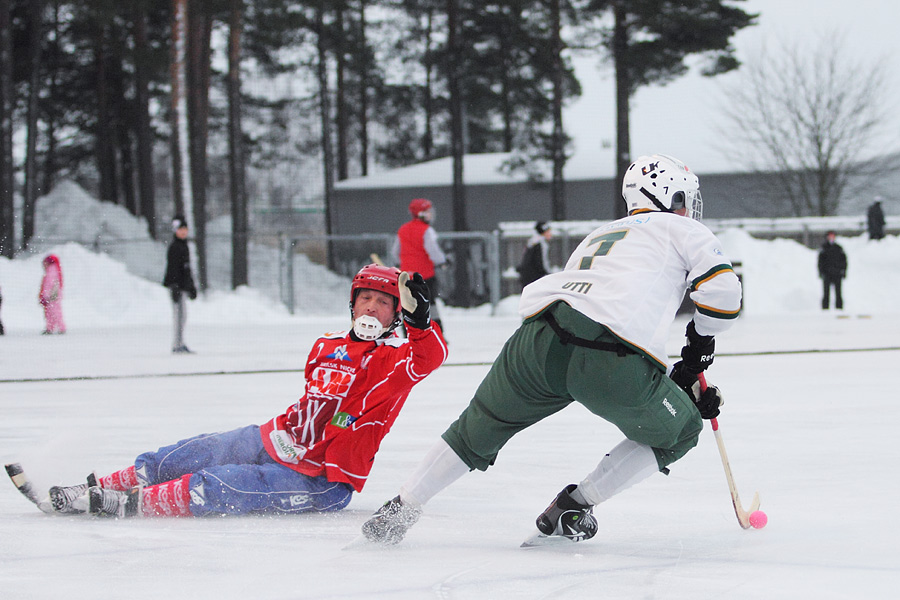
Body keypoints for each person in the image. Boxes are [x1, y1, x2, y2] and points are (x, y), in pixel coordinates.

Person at [361, 154, 743, 546]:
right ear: (671, 196)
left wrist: (677, 377)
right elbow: (723, 298)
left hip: (540, 333)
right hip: (608, 352)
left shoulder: (601, 233)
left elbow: (601, 302)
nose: (688, 208)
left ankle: (401, 508)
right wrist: (696, 354)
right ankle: (574, 506)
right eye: (685, 199)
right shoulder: (682, 230)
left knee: (478, 426)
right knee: (680, 430)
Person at [43, 264, 448, 519]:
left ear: (396, 314)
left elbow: (431, 356)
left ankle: (129, 504)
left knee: (219, 482)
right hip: (280, 439)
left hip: (323, 478)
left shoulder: (395, 362)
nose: (372, 308)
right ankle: (98, 486)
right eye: (366, 299)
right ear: (352, 304)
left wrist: (420, 323)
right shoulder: (327, 344)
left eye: (383, 302)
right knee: (194, 451)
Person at [391, 198, 448, 329]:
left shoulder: (403, 229)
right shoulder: (426, 230)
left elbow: (395, 251)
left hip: (406, 276)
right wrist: (443, 261)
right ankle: (436, 330)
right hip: (425, 275)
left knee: (408, 304)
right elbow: (433, 250)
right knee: (430, 304)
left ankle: (408, 330)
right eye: (428, 212)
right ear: (420, 214)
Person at [163, 215, 198, 353]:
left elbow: (186, 269)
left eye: (185, 229)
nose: (183, 232)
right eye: (180, 229)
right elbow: (173, 268)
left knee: (183, 316)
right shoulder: (175, 247)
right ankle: (177, 344)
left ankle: (180, 342)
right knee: (178, 316)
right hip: (176, 287)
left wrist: (191, 287)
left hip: (182, 286)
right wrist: (174, 286)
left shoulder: (184, 246)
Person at [517, 221, 553, 288]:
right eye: (549, 231)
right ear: (544, 232)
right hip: (535, 277)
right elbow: (541, 262)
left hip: (527, 277)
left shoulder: (532, 242)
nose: (550, 234)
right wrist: (548, 274)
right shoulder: (540, 244)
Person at [818, 230, 847, 310]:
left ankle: (839, 308)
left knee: (838, 293)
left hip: (837, 274)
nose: (831, 238)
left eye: (832, 236)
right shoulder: (823, 249)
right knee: (826, 293)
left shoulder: (838, 248)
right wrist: (821, 272)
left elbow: (844, 261)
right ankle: (825, 308)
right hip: (827, 274)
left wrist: (843, 271)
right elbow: (820, 262)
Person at [39, 254, 65, 335]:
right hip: (54, 295)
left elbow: (48, 284)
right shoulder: (55, 270)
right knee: (53, 311)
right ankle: (51, 327)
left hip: (52, 296)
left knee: (53, 312)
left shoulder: (51, 271)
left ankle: (58, 327)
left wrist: (45, 295)